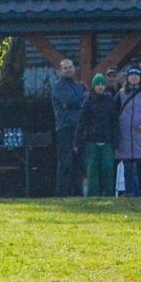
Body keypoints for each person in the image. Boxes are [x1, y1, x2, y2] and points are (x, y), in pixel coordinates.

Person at [115, 66, 141, 197]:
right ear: (128, 77)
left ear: (140, 78)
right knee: (127, 166)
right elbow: (114, 112)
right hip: (125, 136)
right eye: (131, 75)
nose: (134, 77)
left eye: (136, 75)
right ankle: (130, 192)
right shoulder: (121, 94)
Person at [49, 58, 87, 196]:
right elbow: (69, 101)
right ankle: (62, 194)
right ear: (60, 71)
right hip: (65, 128)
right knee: (65, 162)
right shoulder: (57, 87)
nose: (68, 69)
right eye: (65, 68)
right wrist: (78, 100)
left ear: (74, 69)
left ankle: (77, 193)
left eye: (70, 67)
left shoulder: (79, 86)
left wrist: (74, 103)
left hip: (79, 129)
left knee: (79, 162)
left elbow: (85, 100)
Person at [76, 73, 117, 197]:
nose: (100, 87)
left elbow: (114, 121)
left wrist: (116, 140)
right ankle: (92, 195)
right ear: (93, 86)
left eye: (102, 84)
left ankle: (108, 193)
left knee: (108, 168)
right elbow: (81, 123)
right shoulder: (87, 102)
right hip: (91, 140)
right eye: (98, 84)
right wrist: (77, 142)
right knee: (92, 170)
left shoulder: (110, 101)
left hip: (107, 140)